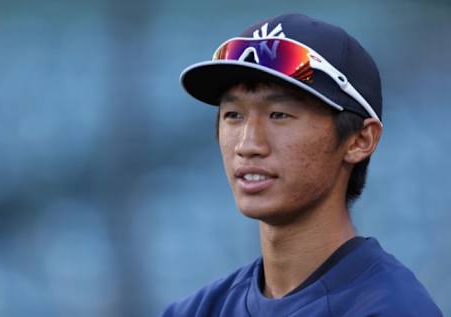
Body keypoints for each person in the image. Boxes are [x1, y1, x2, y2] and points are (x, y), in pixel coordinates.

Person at [162, 13, 443, 316]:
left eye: (280, 114)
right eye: (234, 115)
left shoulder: (392, 308)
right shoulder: (195, 310)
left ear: (360, 140)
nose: (247, 145)